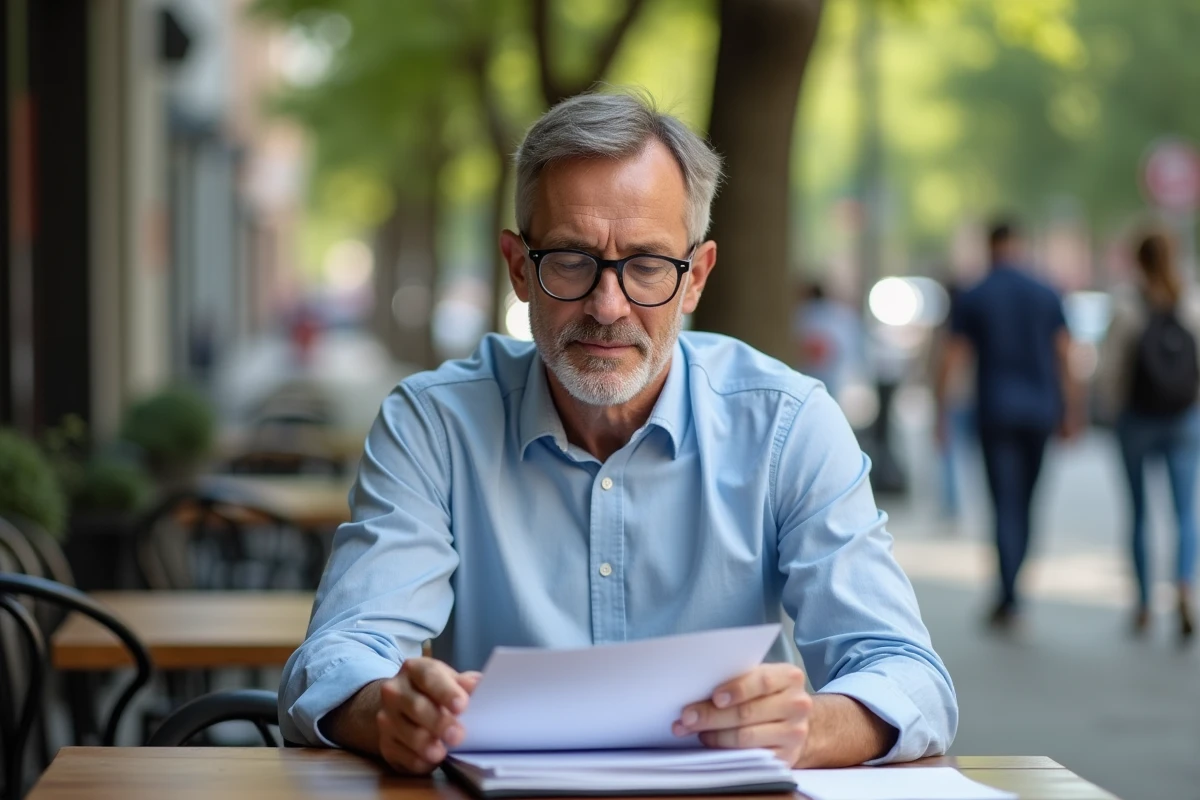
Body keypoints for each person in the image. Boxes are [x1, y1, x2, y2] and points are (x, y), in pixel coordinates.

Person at [280, 92, 957, 772]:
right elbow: (338, 657)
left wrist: (808, 729)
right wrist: (389, 710)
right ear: (520, 268)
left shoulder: (788, 425)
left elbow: (906, 674)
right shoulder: (432, 426)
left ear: (696, 279)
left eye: (647, 265)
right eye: (572, 260)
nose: (608, 307)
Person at [936, 220, 1081, 628]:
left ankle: (1009, 594)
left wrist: (940, 411)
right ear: (1018, 244)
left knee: (1004, 503)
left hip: (996, 412)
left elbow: (954, 356)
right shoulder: (1046, 292)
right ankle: (1014, 590)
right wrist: (1072, 410)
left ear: (990, 246)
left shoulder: (977, 293)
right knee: (1028, 502)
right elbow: (1066, 355)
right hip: (1040, 412)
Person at [1096, 229, 1200, 640]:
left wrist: (1112, 409)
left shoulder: (1126, 305)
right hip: (1183, 419)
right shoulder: (1190, 303)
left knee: (1138, 512)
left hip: (1137, 420)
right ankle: (1182, 587)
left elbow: (1108, 371)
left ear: (1138, 261)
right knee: (1184, 513)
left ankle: (1142, 604)